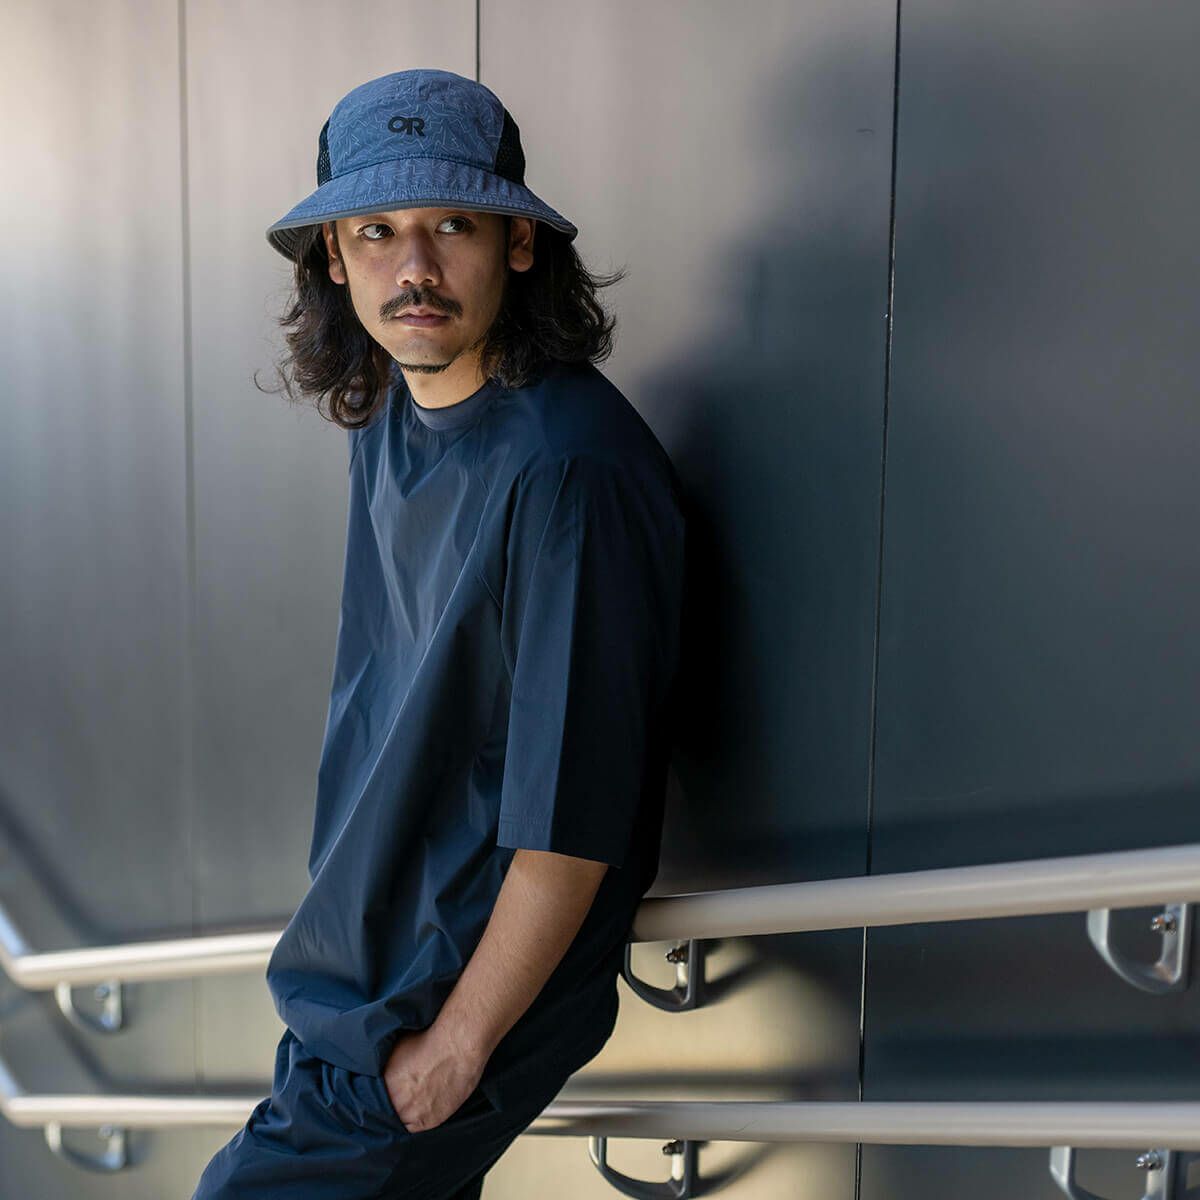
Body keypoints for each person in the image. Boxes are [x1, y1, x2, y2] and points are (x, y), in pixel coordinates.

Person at [192, 68, 687, 1199]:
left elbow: (573, 816)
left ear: (518, 242)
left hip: (442, 1003)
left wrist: (457, 1047)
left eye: (452, 226)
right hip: (352, 995)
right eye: (377, 231)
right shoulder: (390, 417)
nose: (413, 267)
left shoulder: (569, 468)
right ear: (333, 256)